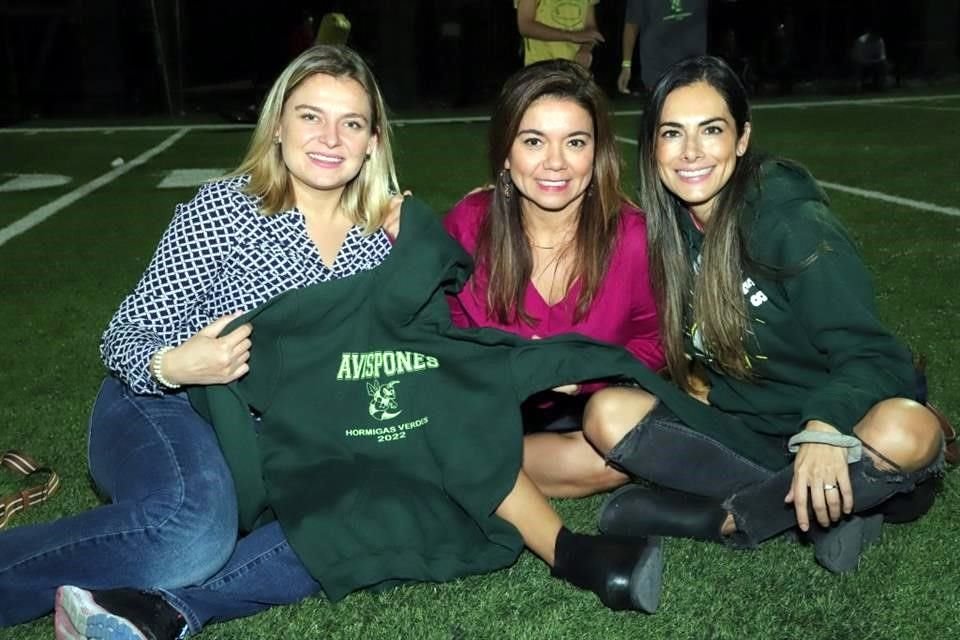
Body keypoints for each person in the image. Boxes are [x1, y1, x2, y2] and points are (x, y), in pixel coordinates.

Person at [0, 45, 662, 639]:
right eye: (310, 116)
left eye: (351, 123)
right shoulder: (224, 207)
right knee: (191, 534)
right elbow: (125, 337)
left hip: (288, 439)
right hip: (166, 405)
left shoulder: (382, 242)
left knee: (387, 501)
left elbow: (410, 364)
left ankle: (151, 610)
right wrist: (179, 362)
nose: (329, 138)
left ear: (374, 141)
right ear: (279, 125)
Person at [579, 55, 947, 573]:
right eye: (671, 133)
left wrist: (823, 429)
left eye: (711, 130)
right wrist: (508, 203)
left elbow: (872, 354)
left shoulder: (789, 221)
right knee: (607, 414)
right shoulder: (665, 234)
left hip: (845, 430)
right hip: (751, 438)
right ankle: (834, 509)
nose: (690, 153)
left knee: (909, 430)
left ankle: (727, 519)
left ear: (742, 138)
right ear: (652, 145)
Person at [444, 58, 664, 500]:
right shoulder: (469, 225)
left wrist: (579, 373)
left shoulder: (634, 238)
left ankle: (469, 469)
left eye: (575, 142)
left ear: (596, 151)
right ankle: (467, 463)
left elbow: (656, 343)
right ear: (506, 152)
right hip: (492, 414)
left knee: (615, 450)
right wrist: (500, 368)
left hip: (587, 417)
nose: (555, 163)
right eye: (533, 141)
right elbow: (442, 332)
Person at [617, 0, 706, 95]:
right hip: (657, 68)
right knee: (663, 107)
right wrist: (626, 65)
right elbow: (632, 24)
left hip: (695, 65)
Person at [515, 0, 604, 69]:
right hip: (541, 67)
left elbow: (591, 28)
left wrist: (585, 50)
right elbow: (525, 26)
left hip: (575, 68)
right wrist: (572, 36)